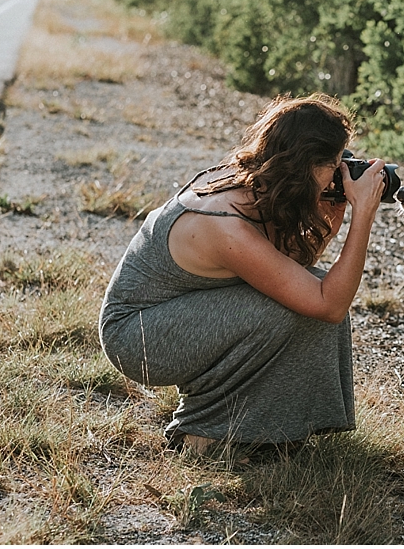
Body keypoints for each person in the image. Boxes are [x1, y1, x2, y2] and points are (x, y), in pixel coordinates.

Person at [98, 94, 387, 453]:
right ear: (305, 165)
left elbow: (291, 262)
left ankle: (270, 429)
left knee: (309, 286)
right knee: (299, 304)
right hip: (138, 338)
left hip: (172, 316)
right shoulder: (225, 222)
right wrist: (364, 215)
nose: (341, 172)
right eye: (334, 164)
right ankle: (203, 433)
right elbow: (330, 304)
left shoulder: (256, 181)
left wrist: (334, 214)